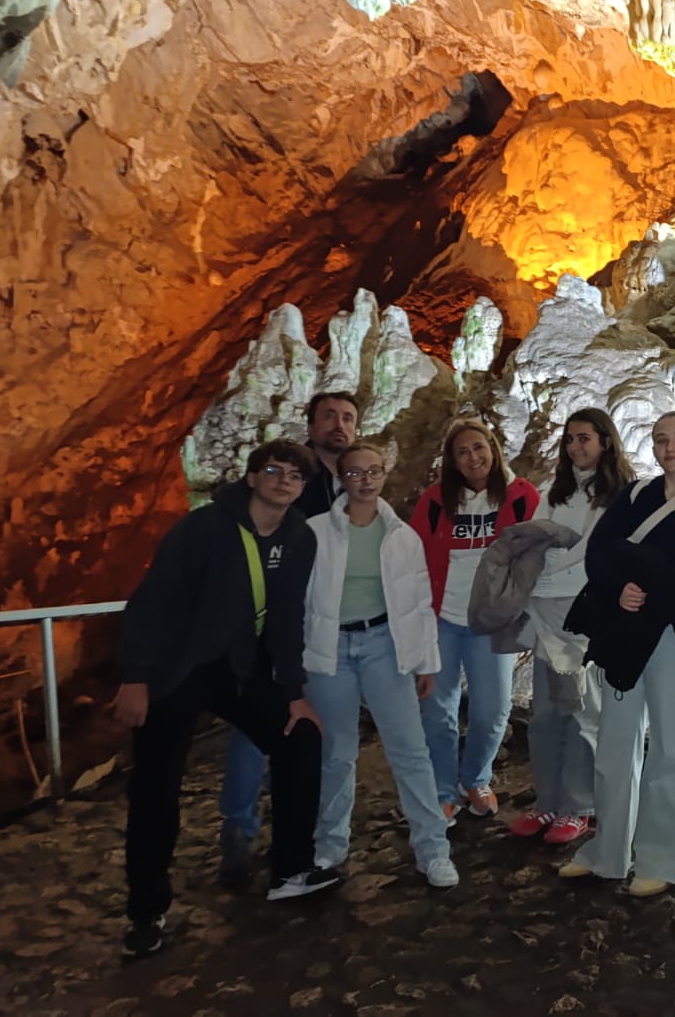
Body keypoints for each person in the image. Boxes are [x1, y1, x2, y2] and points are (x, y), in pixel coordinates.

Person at [114, 439, 340, 960]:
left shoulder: (298, 537)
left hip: (238, 670)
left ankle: (290, 869)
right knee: (156, 786)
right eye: (274, 471)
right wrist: (135, 678)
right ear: (253, 477)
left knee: (300, 738)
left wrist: (293, 694)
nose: (284, 481)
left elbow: (286, 618)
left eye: (295, 476)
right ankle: (146, 911)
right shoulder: (204, 528)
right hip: (176, 668)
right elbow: (153, 600)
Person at [559, 410, 675, 896]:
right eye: (661, 440)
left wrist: (641, 576)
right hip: (626, 635)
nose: (670, 448)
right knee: (615, 746)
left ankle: (662, 859)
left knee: (671, 750)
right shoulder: (635, 496)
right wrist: (621, 587)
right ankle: (608, 852)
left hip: (673, 641)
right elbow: (600, 555)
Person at [219, 389, 360, 886]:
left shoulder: (354, 483)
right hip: (272, 625)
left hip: (325, 626)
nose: (338, 425)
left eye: (347, 418)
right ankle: (239, 828)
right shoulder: (293, 478)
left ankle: (301, 835)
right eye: (329, 416)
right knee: (255, 730)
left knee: (307, 731)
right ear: (312, 424)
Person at [302, 442, 458, 889]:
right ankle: (330, 845)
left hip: (383, 646)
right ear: (341, 479)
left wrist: (426, 662)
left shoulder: (402, 537)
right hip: (330, 648)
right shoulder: (315, 532)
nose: (366, 480)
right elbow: (298, 600)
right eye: (355, 473)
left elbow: (419, 603)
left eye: (374, 471)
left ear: (384, 475)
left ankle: (433, 849)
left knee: (410, 749)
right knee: (336, 753)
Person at [508, 409, 636, 845]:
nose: (575, 447)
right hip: (545, 609)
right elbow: (534, 539)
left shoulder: (621, 494)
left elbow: (595, 548)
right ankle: (548, 800)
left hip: (587, 610)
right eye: (570, 439)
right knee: (545, 713)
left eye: (584, 438)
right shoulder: (555, 490)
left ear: (605, 441)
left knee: (581, 710)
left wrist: (552, 564)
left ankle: (578, 806)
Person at [412, 417, 540, 824]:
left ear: (493, 449)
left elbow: (538, 553)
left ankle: (476, 778)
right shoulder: (435, 501)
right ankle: (443, 789)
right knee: (437, 709)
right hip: (443, 619)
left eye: (479, 447)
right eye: (462, 452)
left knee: (493, 709)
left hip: (492, 620)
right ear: (452, 460)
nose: (473, 457)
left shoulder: (520, 496)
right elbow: (413, 557)